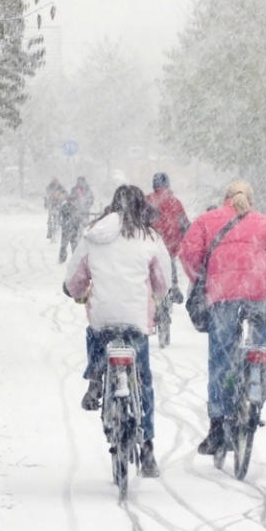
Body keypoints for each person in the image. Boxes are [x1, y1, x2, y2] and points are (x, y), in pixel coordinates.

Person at [179, 179, 266, 455]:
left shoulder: (207, 221)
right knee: (261, 336)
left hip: (222, 296)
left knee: (222, 359)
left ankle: (218, 425)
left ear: (225, 198)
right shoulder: (263, 223)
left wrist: (201, 276)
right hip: (255, 293)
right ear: (251, 200)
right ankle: (263, 375)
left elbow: (188, 252)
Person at [63, 185, 171, 477]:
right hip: (136, 320)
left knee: (96, 333)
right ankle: (147, 447)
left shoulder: (95, 234)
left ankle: (97, 378)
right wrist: (160, 294)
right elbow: (163, 282)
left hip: (104, 315)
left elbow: (75, 277)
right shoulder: (150, 237)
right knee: (143, 379)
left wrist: (74, 291)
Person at [145, 172, 190, 303]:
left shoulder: (147, 200)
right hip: (170, 246)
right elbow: (184, 225)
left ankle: (150, 294)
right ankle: (173, 288)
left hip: (150, 245)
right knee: (170, 266)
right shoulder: (175, 203)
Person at [58, 176, 94, 263]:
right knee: (66, 243)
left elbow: (91, 199)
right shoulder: (73, 193)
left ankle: (75, 258)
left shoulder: (87, 190)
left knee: (74, 242)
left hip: (77, 222)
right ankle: (63, 258)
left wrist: (86, 206)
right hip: (68, 227)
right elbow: (62, 215)